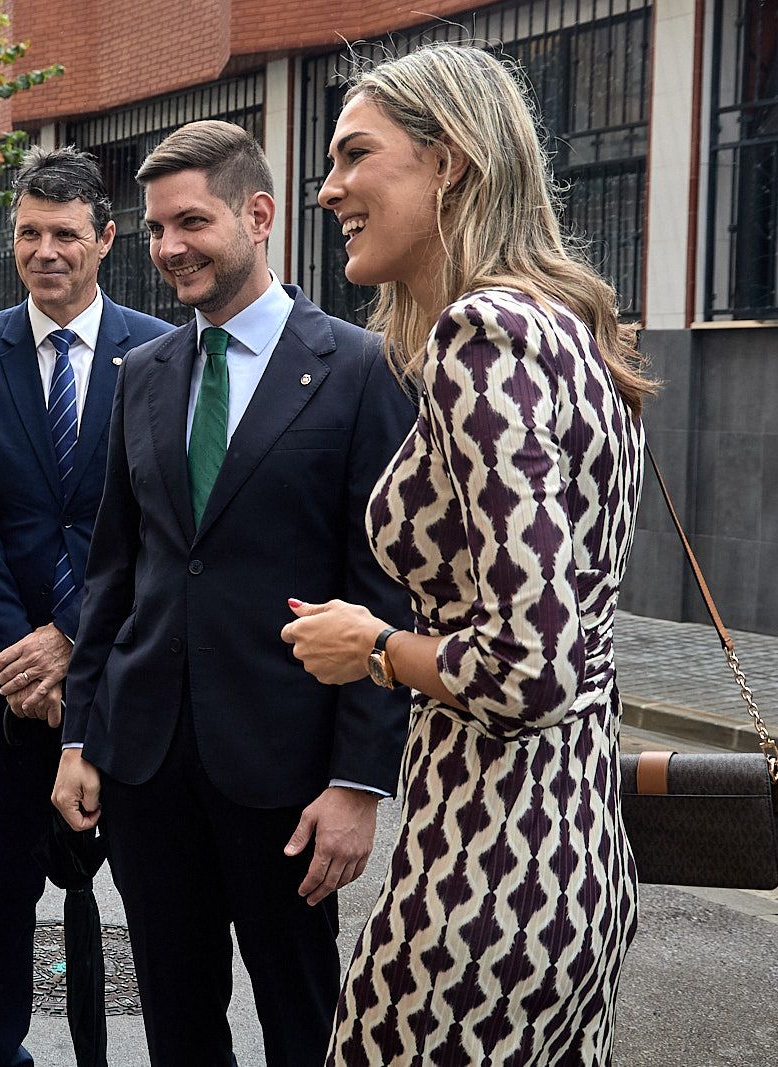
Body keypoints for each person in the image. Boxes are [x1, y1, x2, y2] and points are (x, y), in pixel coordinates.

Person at [280, 44, 653, 1065]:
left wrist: (373, 644)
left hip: (484, 879)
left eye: (357, 154)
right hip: (576, 853)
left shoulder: (483, 336)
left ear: (449, 162)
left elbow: (528, 668)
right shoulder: (566, 325)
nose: (329, 188)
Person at [49, 120, 413, 1067]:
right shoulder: (146, 373)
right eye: (157, 227)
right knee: (177, 1016)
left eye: (191, 222)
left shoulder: (360, 370)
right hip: (147, 765)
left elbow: (384, 588)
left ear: (258, 216)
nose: (169, 248)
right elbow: (114, 571)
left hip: (286, 775)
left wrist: (357, 782)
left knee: (303, 1015)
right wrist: (82, 735)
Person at [0, 144, 169, 1067]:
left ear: (106, 239)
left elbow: (159, 517)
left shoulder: (159, 349)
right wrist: (17, 655)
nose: (45, 250)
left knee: (147, 874)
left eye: (66, 233)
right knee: (2, 877)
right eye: (29, 232)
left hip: (122, 664)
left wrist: (71, 637)